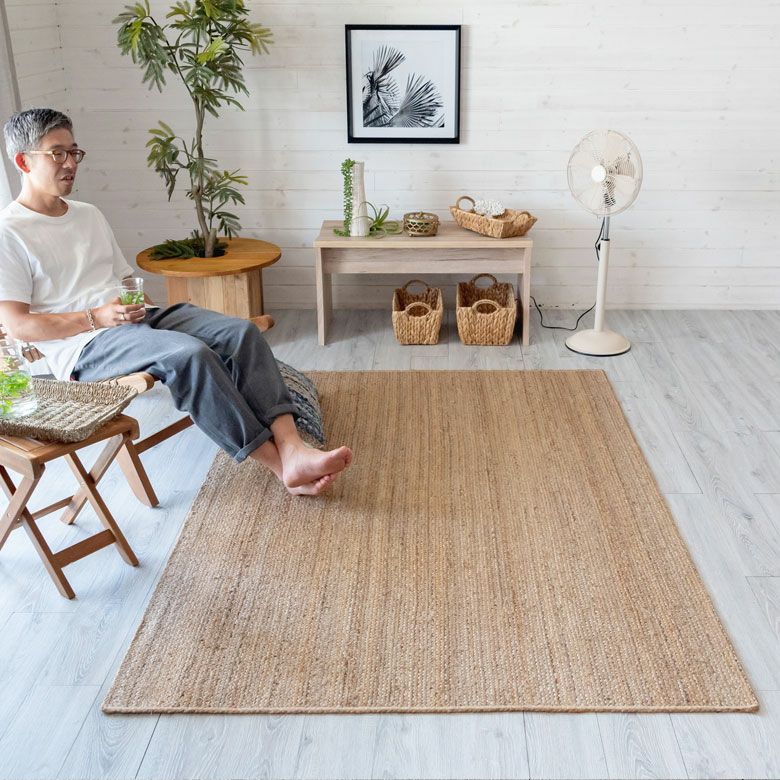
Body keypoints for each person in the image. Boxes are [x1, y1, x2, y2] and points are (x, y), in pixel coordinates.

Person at [0, 108, 352, 496]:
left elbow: (123, 280)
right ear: (23, 161)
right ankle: (279, 466)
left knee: (241, 333)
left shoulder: (89, 215)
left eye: (74, 152)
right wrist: (97, 316)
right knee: (189, 355)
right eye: (57, 153)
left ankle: (293, 446)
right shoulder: (9, 233)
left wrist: (145, 312)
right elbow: (18, 325)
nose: (70, 163)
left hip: (136, 320)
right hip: (86, 348)